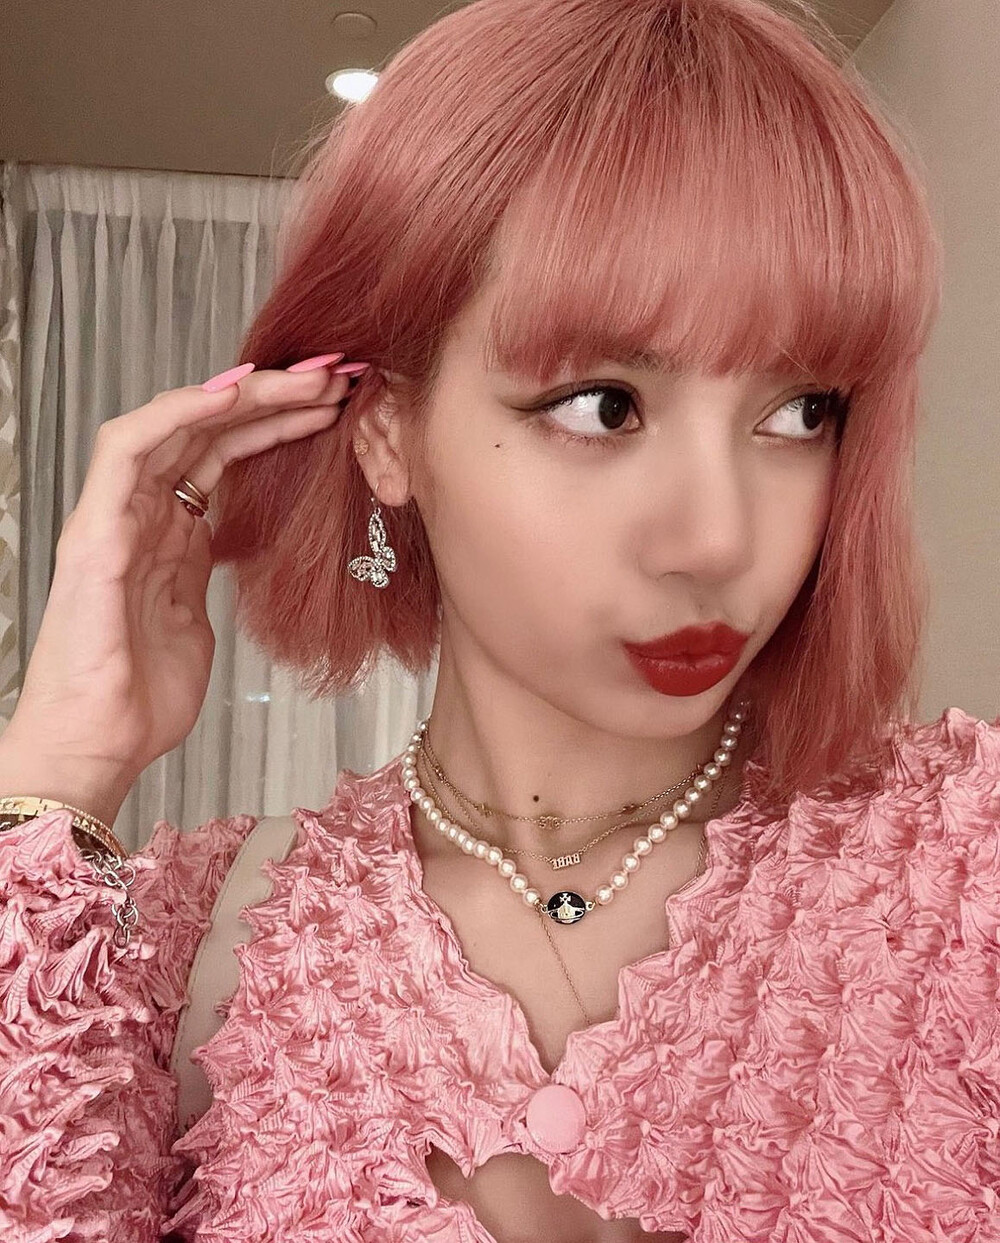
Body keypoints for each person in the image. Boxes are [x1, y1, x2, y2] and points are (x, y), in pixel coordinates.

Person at [1, 0, 997, 1240]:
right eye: (602, 405)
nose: (717, 538)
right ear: (386, 433)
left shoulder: (967, 871)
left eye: (800, 413)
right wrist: (59, 766)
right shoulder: (189, 943)